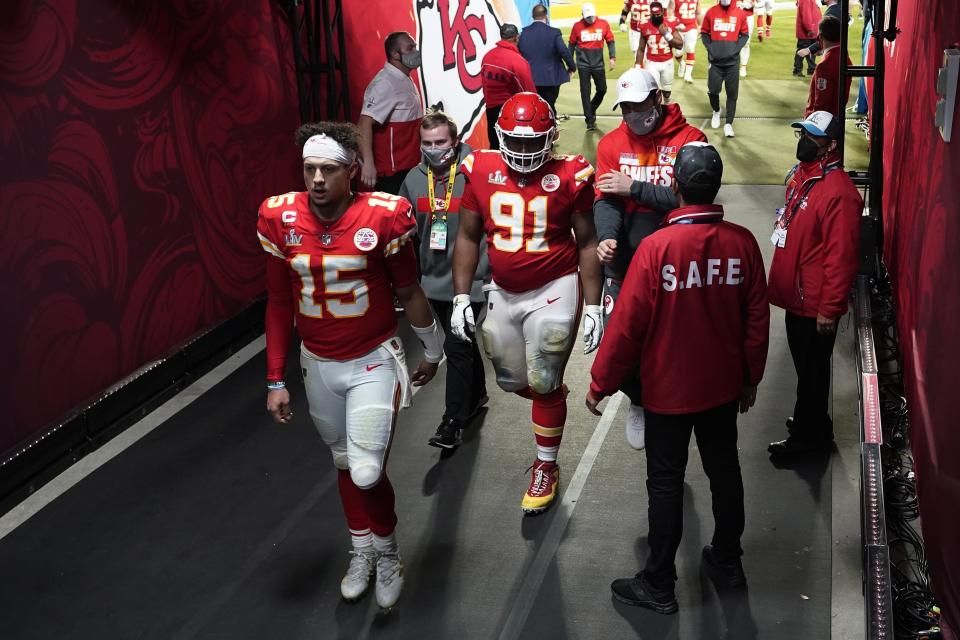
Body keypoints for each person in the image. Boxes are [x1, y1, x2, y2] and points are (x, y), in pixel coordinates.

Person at [258, 122, 445, 609]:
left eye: (327, 169)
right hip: (317, 362)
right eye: (309, 169)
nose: (316, 179)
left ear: (352, 172)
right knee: (344, 463)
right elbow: (279, 301)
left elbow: (407, 290)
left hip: (372, 360)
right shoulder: (280, 217)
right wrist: (275, 377)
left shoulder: (382, 217)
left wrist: (432, 345)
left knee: (365, 470)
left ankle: (387, 553)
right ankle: (360, 549)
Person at [586, 142, 770, 614]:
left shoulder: (656, 249)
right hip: (722, 388)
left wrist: (600, 384)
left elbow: (626, 328)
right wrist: (750, 378)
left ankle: (659, 584)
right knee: (724, 473)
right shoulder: (743, 243)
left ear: (677, 188)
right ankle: (728, 561)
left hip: (668, 391)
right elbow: (757, 321)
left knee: (665, 484)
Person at [450, 92, 603, 515]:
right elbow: (466, 236)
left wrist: (593, 304)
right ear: (500, 137)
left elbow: (587, 241)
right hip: (502, 287)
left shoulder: (571, 175)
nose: (521, 151)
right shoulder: (479, 168)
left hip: (554, 285)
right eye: (513, 143)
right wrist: (461, 294)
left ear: (550, 138)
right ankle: (549, 395)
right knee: (512, 379)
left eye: (531, 142)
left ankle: (546, 465)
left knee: (545, 373)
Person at [594, 67, 707, 449]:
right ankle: (639, 400)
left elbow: (689, 199)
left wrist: (635, 188)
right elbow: (606, 199)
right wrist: (607, 237)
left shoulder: (691, 141)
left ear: (658, 99)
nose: (630, 115)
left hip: (676, 260)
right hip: (625, 261)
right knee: (622, 337)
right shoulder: (610, 144)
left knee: (675, 338)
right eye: (624, 107)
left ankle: (676, 402)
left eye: (637, 105)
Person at [767, 111, 862, 458]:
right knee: (807, 370)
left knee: (812, 374)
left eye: (812, 136)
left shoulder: (839, 193)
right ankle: (815, 425)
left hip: (815, 304)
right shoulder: (804, 177)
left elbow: (843, 257)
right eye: (802, 134)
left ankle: (808, 442)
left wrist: (830, 308)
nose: (804, 141)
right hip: (800, 297)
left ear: (831, 145)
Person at [398, 112, 491, 450]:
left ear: (454, 140)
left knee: (456, 344)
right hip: (432, 282)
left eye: (441, 142)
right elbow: (405, 229)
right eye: (427, 143)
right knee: (463, 345)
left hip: (471, 281)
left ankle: (452, 420)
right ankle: (478, 394)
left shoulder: (475, 171)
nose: (434, 149)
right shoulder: (412, 179)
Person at [358, 32, 424, 194]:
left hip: (410, 166)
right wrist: (368, 164)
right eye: (410, 48)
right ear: (395, 54)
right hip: (393, 174)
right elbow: (363, 123)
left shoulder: (403, 77)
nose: (415, 51)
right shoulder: (384, 84)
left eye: (415, 46)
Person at [481, 23, 536, 150]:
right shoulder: (517, 61)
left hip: (491, 110)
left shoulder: (487, 56)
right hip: (510, 113)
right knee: (512, 149)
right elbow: (529, 93)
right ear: (517, 37)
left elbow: (485, 85)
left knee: (495, 147)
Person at [701, 0, 750, 138]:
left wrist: (734, 50)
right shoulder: (711, 12)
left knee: (732, 94)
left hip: (732, 63)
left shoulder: (740, 14)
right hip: (715, 62)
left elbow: (745, 34)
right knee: (713, 91)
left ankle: (729, 124)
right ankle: (716, 110)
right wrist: (711, 48)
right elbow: (704, 32)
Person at [519, 4, 577, 115]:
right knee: (549, 107)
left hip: (531, 79)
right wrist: (572, 68)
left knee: (533, 107)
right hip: (551, 79)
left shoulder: (524, 33)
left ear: (532, 16)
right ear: (546, 15)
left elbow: (519, 55)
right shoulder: (554, 32)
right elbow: (564, 51)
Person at [569, 3, 617, 131]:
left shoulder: (604, 24)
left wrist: (612, 57)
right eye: (587, 17)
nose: (590, 19)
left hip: (598, 64)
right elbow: (571, 45)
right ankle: (589, 119)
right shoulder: (577, 26)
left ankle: (592, 107)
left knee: (602, 89)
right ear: (582, 15)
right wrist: (571, 66)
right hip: (583, 65)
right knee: (585, 92)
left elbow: (610, 41)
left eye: (591, 16)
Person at [634, 1, 684, 103]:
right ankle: (656, 113)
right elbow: (641, 48)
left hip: (667, 62)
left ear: (662, 12)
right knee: (653, 92)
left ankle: (666, 105)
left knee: (666, 92)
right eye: (654, 14)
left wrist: (667, 34)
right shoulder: (644, 24)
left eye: (658, 14)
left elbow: (680, 45)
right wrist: (638, 65)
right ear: (650, 13)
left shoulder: (670, 23)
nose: (656, 16)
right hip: (651, 63)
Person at [805, 16, 852, 117]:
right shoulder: (845, 59)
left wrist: (810, 128)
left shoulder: (825, 65)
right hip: (836, 119)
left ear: (820, 37)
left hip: (821, 125)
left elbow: (821, 104)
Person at [674, 0, 701, 83]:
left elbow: (698, 12)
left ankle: (688, 75)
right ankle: (682, 63)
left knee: (690, 48)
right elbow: (670, 12)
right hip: (678, 27)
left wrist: (699, 26)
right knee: (677, 53)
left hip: (691, 26)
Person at [794, 0, 821, 77]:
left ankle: (811, 69)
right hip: (807, 31)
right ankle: (798, 70)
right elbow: (806, 14)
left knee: (811, 49)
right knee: (803, 49)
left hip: (810, 30)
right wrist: (809, 29)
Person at [736, 0, 755, 77]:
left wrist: (740, 4)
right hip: (733, 17)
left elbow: (750, 5)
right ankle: (731, 65)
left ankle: (743, 67)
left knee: (746, 43)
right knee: (731, 41)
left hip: (747, 18)